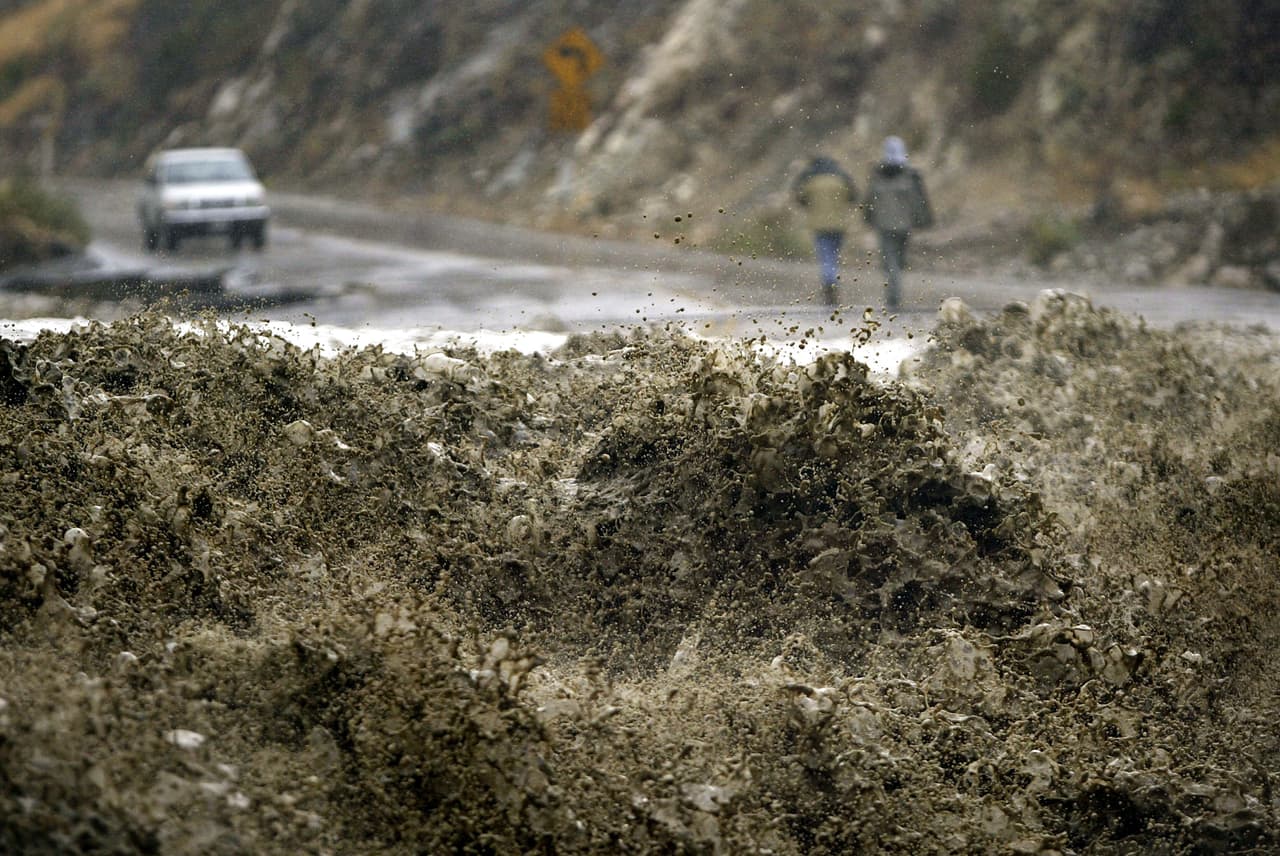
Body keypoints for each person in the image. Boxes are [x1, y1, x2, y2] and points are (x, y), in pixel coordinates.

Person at [862, 136, 933, 309]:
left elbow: (869, 199)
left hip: (884, 224)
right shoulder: (911, 175)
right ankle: (894, 292)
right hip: (903, 225)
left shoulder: (878, 174)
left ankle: (893, 292)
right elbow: (919, 200)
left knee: (891, 260)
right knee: (898, 259)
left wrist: (868, 217)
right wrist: (924, 220)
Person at [793, 155, 857, 306]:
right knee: (834, 254)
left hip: (819, 225)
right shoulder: (841, 179)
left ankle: (830, 282)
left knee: (825, 255)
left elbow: (800, 198)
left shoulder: (811, 181)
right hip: (839, 225)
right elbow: (852, 196)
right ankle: (832, 279)